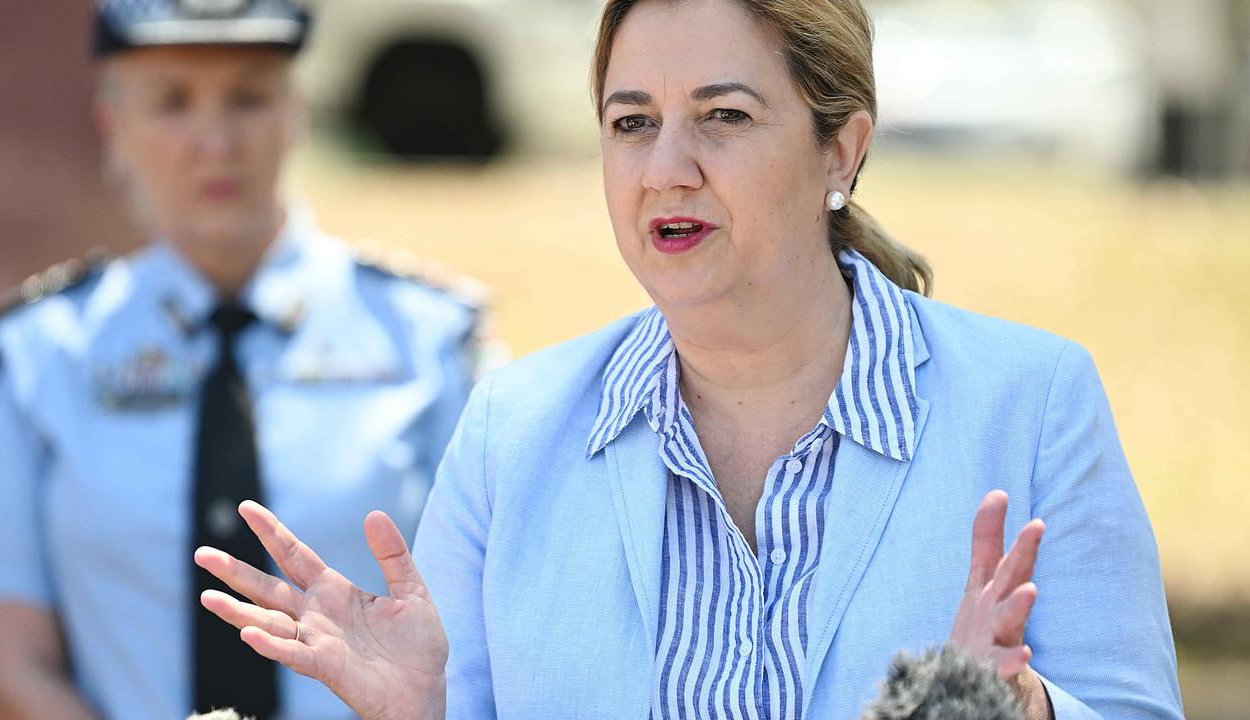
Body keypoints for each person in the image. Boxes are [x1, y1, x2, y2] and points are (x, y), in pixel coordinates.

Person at [196, 0, 1184, 718]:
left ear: (839, 152)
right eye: (631, 123)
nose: (665, 168)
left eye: (722, 116)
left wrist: (1024, 713)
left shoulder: (1031, 401)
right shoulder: (513, 428)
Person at [0, 2, 487, 719]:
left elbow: (490, 631)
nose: (214, 141)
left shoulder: (427, 337)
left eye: (249, 97)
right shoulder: (38, 356)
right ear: (112, 124)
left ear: (296, 111)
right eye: (171, 102)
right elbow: (6, 655)